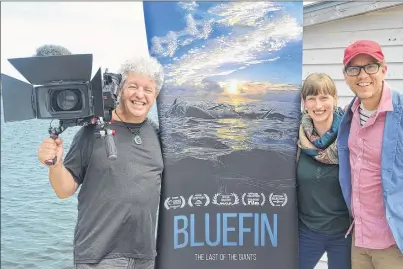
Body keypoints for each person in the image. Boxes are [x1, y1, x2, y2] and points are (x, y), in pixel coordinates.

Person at [37, 53, 165, 269]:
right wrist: (55, 165)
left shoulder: (157, 135)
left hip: (144, 256)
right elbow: (64, 190)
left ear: (156, 95)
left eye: (148, 89)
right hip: (99, 257)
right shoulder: (91, 132)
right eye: (133, 86)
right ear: (120, 88)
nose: (140, 95)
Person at [337, 40, 403, 268]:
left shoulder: (401, 113)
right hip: (359, 239)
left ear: (384, 70)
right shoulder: (349, 114)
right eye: (354, 68)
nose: (362, 75)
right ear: (346, 76)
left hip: (393, 242)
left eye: (370, 66)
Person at [297, 73, 352, 269]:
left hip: (345, 234)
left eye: (324, 97)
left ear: (335, 98)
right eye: (311, 98)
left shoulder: (350, 134)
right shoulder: (296, 138)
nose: (318, 105)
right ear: (304, 102)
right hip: (306, 232)